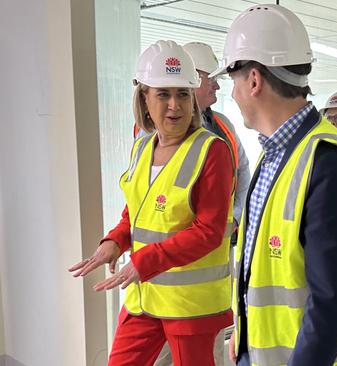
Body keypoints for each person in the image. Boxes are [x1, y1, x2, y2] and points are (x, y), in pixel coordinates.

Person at [212, 4, 337, 365]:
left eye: (232, 82)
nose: (233, 95)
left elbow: (330, 303)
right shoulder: (278, 153)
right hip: (263, 351)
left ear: (253, 80)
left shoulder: (329, 163)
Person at [68, 40, 235, 366]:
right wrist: (115, 241)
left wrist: (143, 262)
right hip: (144, 297)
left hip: (191, 305)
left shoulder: (212, 151)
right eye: (163, 94)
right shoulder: (142, 149)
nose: (175, 105)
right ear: (144, 99)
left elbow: (209, 232)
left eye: (183, 94)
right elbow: (137, 212)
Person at [152, 40, 251, 366]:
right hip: (172, 269)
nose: (217, 85)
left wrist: (233, 220)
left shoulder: (223, 126)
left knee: (208, 345)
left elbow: (243, 176)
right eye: (211, 78)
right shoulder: (154, 135)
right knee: (165, 352)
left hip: (216, 263)